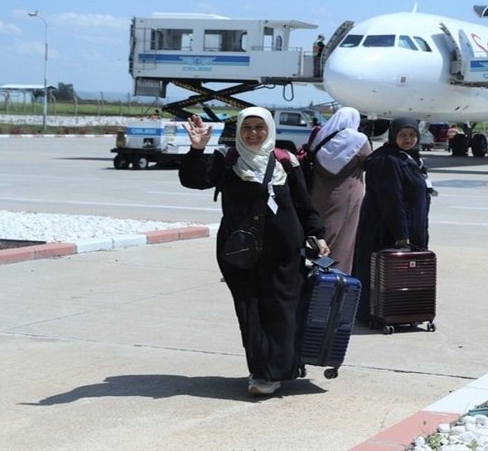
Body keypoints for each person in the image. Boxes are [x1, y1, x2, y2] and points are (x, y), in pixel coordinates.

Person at [179, 107, 330, 396]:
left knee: (284, 311)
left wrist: (317, 234)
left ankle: (286, 366)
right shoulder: (228, 160)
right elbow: (194, 180)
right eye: (246, 127)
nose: (253, 133)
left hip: (285, 254)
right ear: (238, 130)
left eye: (259, 127)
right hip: (242, 254)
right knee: (252, 311)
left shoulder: (286, 162)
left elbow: (304, 204)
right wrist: (197, 150)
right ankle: (263, 373)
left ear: (269, 129)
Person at [352, 117, 432, 324]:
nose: (408, 139)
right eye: (403, 135)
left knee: (404, 275)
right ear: (393, 135)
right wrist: (401, 235)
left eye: (412, 135)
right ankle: (378, 315)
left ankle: (403, 313)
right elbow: (391, 199)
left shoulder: (408, 157)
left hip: (410, 225)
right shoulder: (386, 160)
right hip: (387, 230)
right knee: (381, 275)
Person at [306, 107, 372, 274]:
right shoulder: (358, 139)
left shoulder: (321, 136)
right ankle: (337, 275)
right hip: (347, 196)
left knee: (324, 234)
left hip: (320, 192)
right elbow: (368, 162)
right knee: (344, 238)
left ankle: (319, 269)